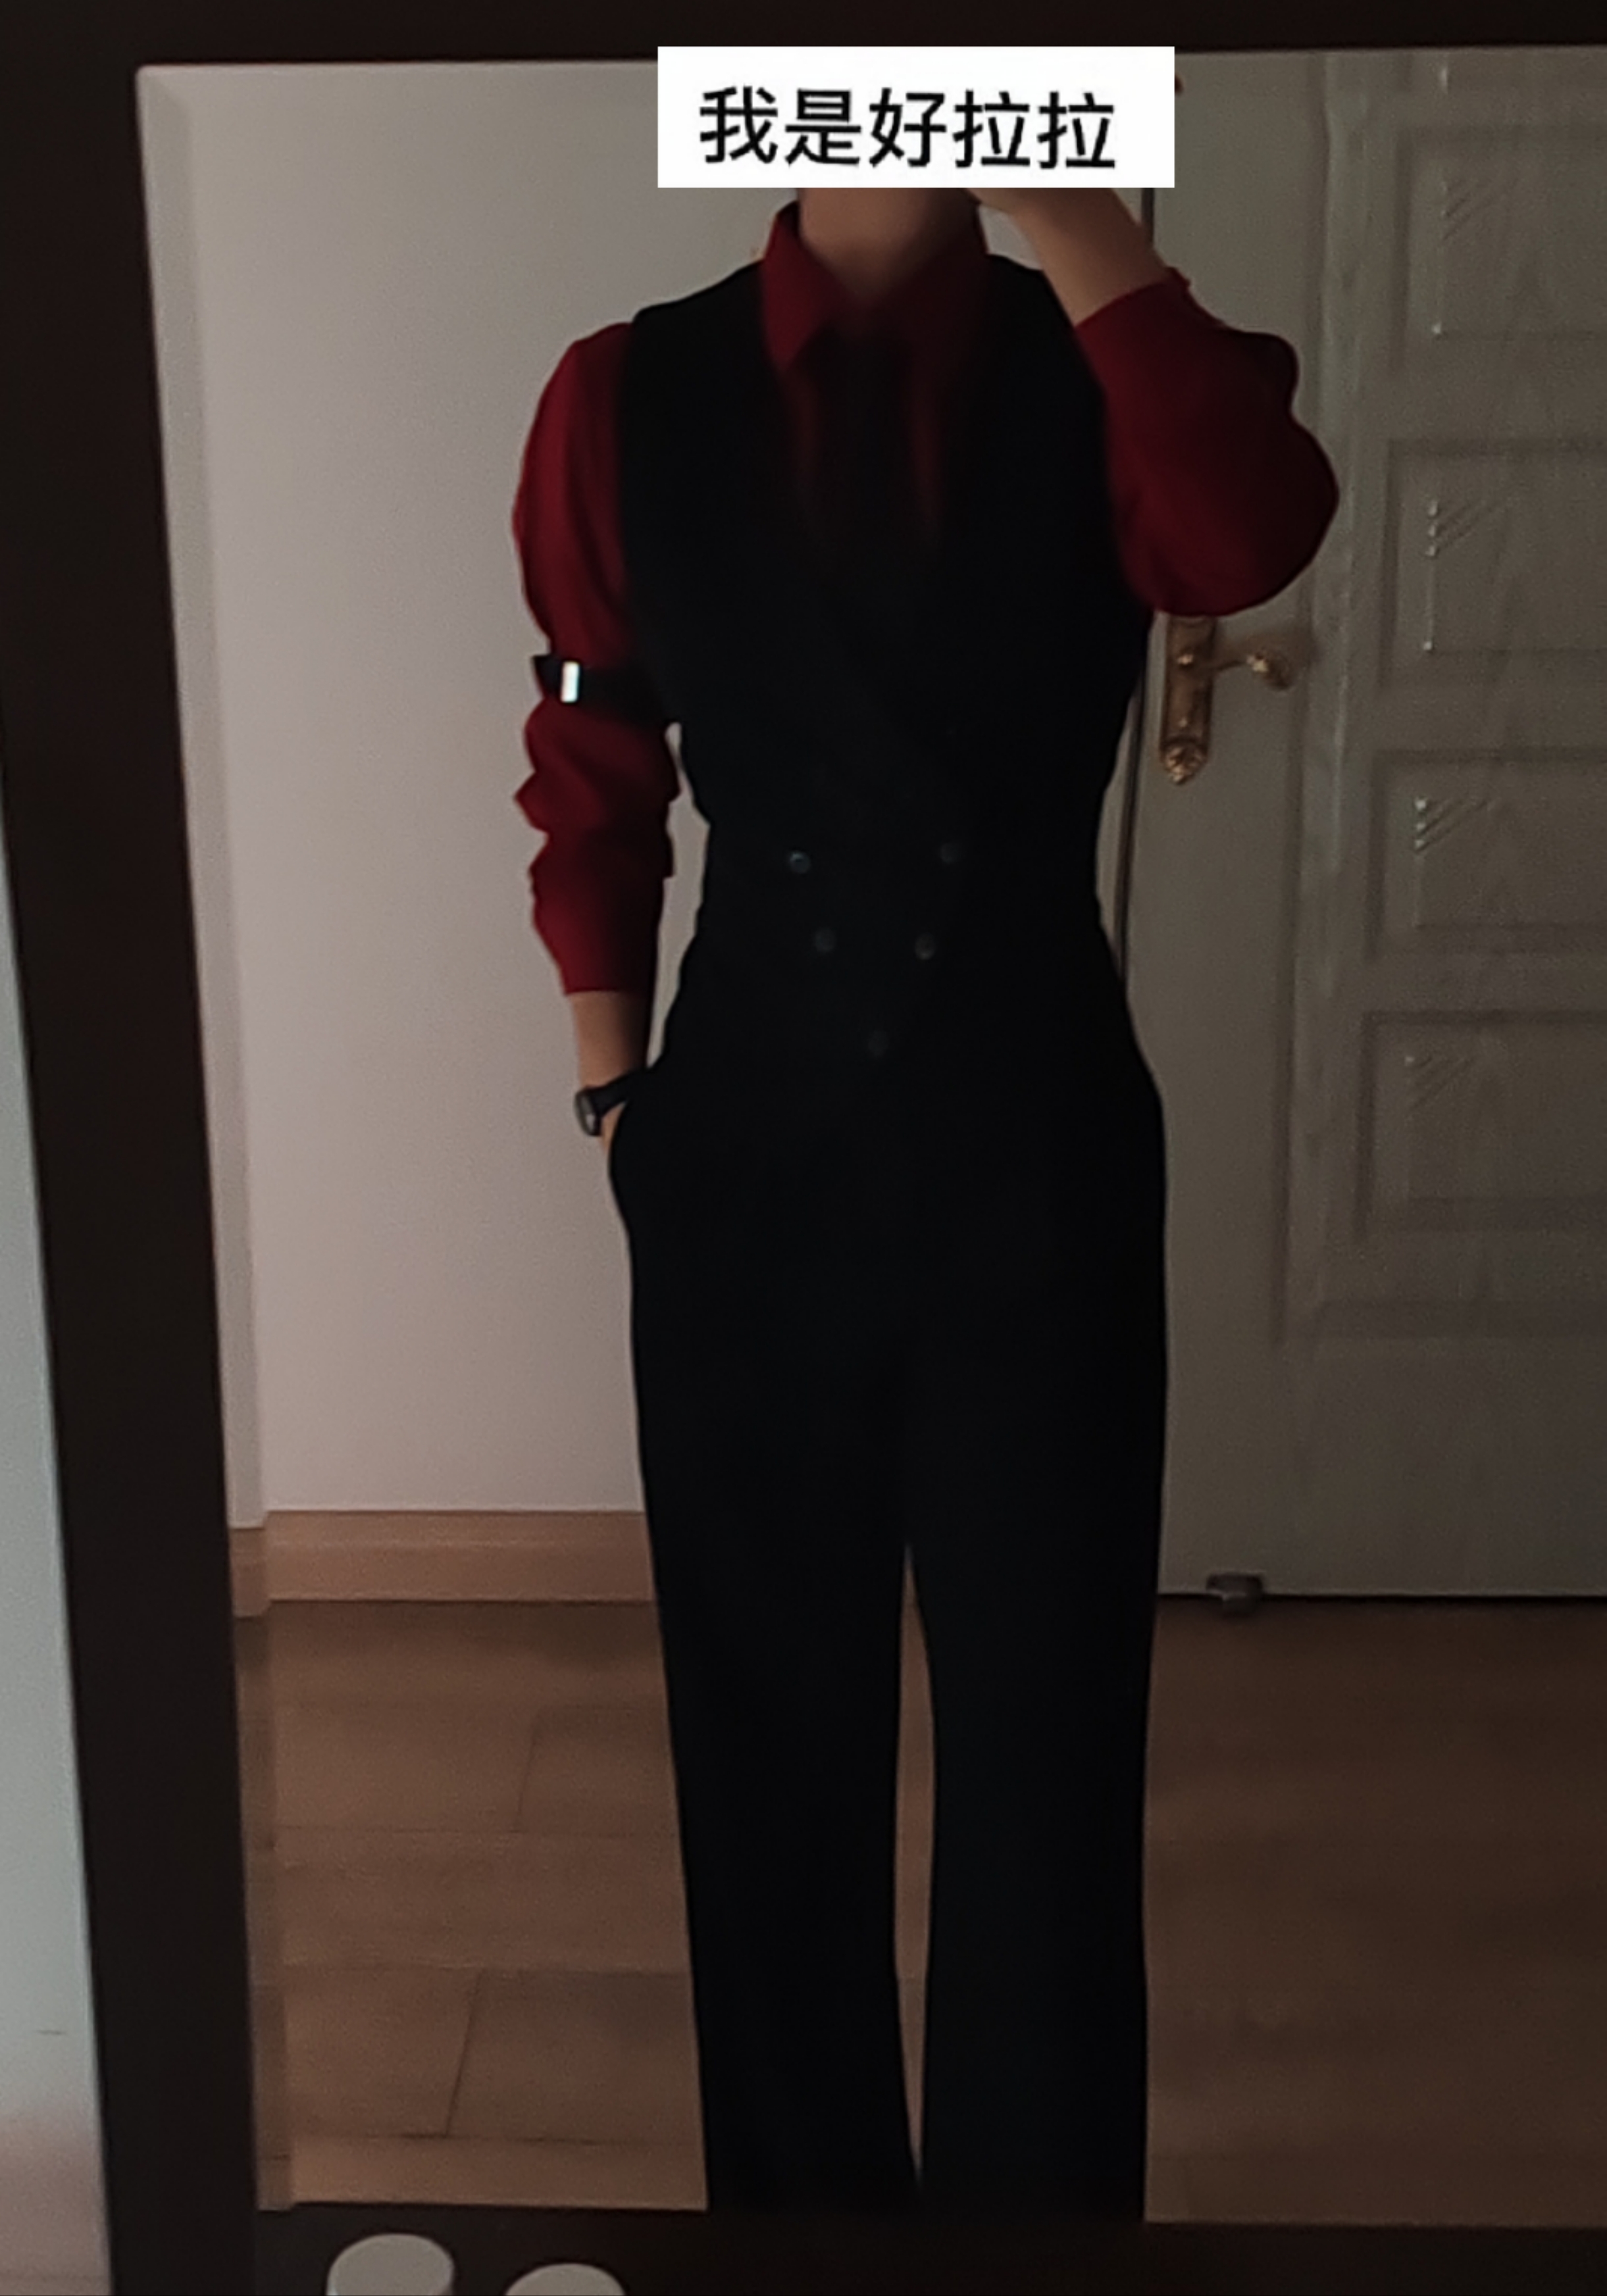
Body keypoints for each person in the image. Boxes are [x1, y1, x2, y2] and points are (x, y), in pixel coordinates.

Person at [511, 177, 1338, 2218]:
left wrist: (1076, 214)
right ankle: (795, 2246)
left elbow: (1249, 536)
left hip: (1035, 1156)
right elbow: (592, 758)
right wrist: (612, 1090)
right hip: (739, 1159)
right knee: (761, 1754)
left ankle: (1039, 2250)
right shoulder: (622, 390)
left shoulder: (1121, 355)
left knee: (1047, 1756)